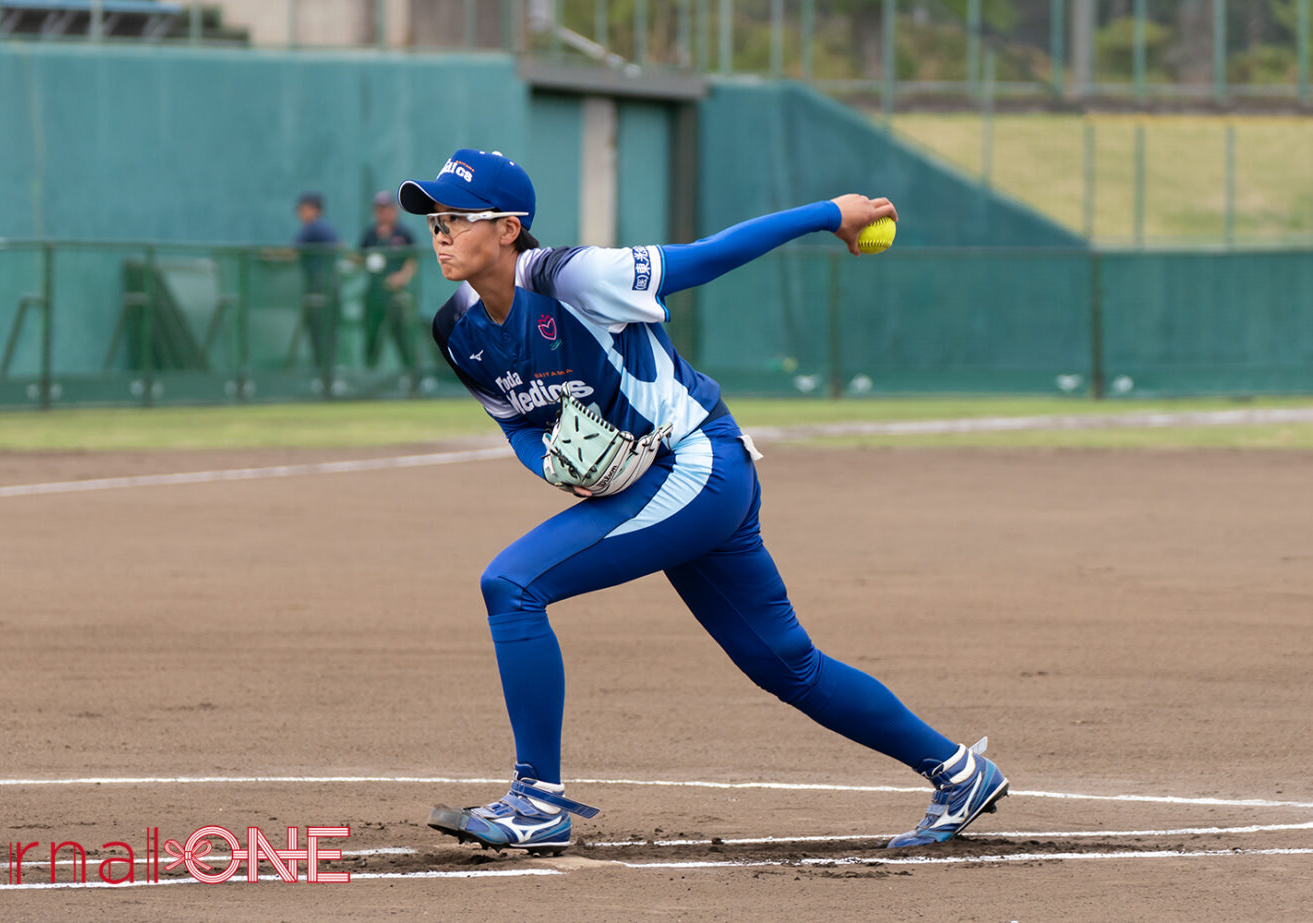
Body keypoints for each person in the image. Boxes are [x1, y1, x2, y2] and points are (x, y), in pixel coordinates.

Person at [400, 149, 1010, 855]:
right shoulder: (457, 329)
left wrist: (829, 215)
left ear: (508, 228)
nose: (441, 234)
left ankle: (537, 802)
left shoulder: (574, 276)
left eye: (456, 218)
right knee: (787, 664)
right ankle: (960, 772)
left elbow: (705, 258)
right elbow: (518, 424)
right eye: (435, 221)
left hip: (698, 465)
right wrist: (555, 467)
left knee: (512, 585)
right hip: (676, 486)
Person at [357, 190, 419, 373]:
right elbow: (359, 256)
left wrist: (402, 276)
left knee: (401, 336)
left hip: (396, 295)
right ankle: (369, 375)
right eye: (379, 209)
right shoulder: (370, 233)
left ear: (393, 210)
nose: (382, 213)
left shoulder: (403, 233)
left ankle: (410, 377)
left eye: (386, 209)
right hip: (374, 293)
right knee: (372, 335)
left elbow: (412, 259)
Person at [292, 192, 340, 389]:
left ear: (314, 209)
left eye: (304, 208)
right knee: (325, 335)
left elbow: (292, 253)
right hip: (328, 289)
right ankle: (326, 378)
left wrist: (270, 255)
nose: (300, 213)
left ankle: (324, 379)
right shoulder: (323, 228)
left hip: (321, 288)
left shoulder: (314, 227)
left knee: (320, 335)